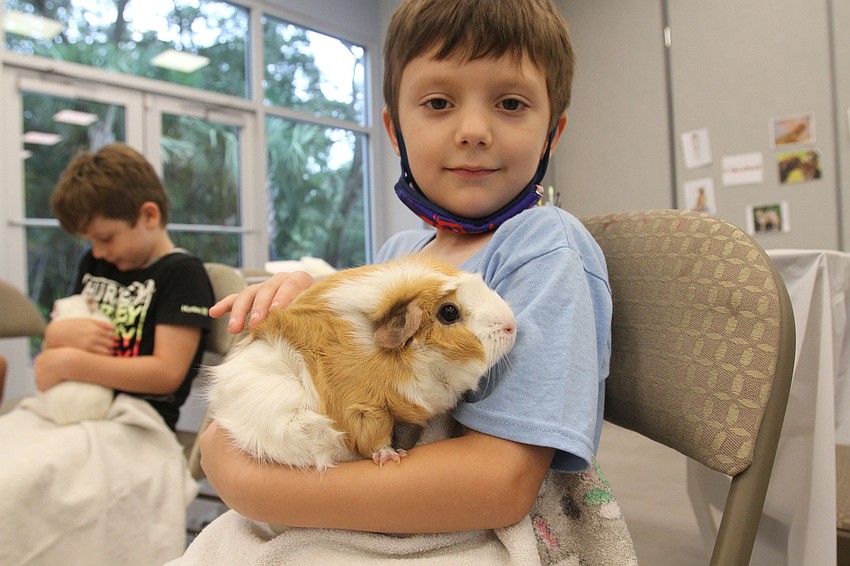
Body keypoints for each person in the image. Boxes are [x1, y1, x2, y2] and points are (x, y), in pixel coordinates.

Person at [180, 0, 624, 563]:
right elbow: (335, 384)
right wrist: (306, 311)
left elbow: (501, 485)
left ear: (551, 132)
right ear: (393, 129)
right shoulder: (399, 254)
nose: (473, 131)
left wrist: (248, 484)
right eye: (438, 102)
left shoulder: (544, 246)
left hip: (472, 534)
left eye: (510, 103)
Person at [0, 143, 215, 565]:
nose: (97, 252)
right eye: (90, 242)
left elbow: (166, 373)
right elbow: (70, 330)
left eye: (105, 238)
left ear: (148, 216)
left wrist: (68, 361)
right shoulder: (96, 265)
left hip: (136, 423)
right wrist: (59, 341)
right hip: (73, 411)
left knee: (17, 482)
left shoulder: (182, 274)